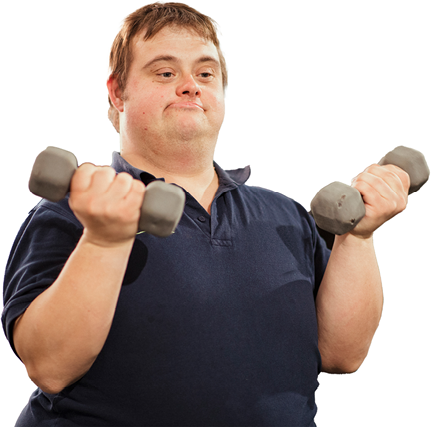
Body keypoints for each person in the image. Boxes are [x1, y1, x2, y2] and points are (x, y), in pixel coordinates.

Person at [2, 2, 410, 426]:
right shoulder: (73, 210)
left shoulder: (286, 216)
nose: (190, 86)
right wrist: (104, 240)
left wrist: (359, 237)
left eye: (205, 73)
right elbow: (48, 365)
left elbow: (343, 354)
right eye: (165, 72)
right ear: (117, 93)